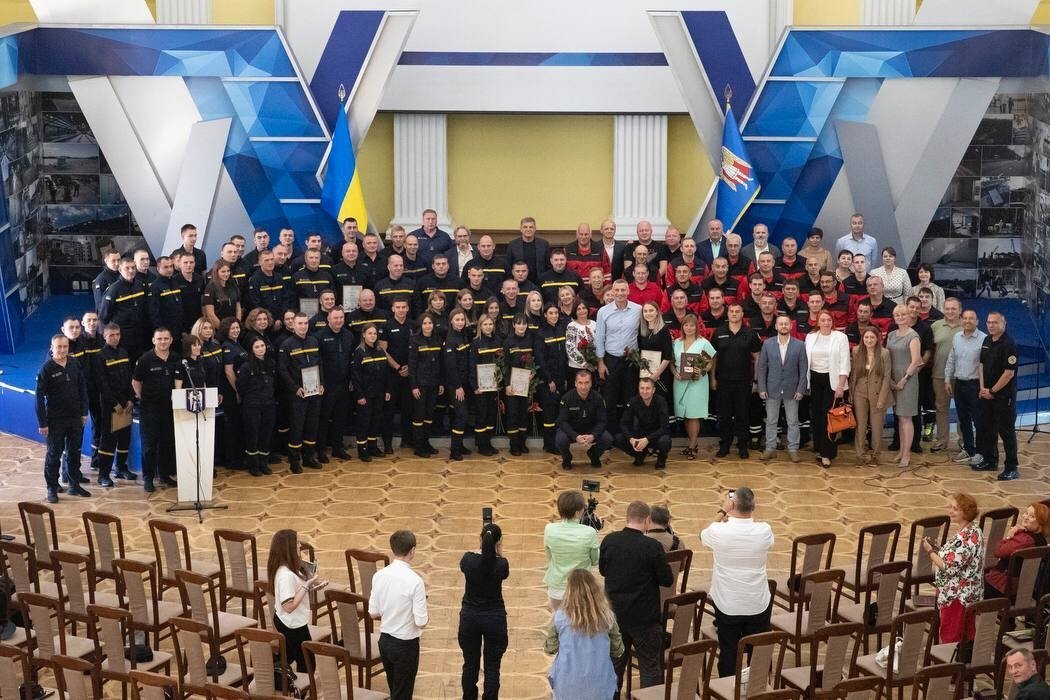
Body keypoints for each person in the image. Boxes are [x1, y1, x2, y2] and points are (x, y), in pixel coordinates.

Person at [599, 501, 673, 693]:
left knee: (614, 668)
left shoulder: (609, 541)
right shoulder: (652, 547)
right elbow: (667, 580)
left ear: (627, 518)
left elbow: (603, 570)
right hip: (645, 619)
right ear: (647, 520)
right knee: (650, 668)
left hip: (616, 617)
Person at [701, 487, 774, 678]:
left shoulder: (718, 531)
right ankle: (757, 686)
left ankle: (727, 688)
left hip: (728, 604)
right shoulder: (764, 530)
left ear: (731, 504)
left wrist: (722, 511)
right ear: (753, 506)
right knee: (758, 650)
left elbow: (703, 534)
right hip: (757, 602)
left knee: (729, 652)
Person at [544, 569, 624, 700]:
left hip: (567, 685)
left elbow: (550, 648)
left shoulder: (559, 617)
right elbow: (618, 650)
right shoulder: (607, 617)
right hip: (600, 685)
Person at [369, 530, 428, 700]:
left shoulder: (379, 575)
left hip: (385, 642)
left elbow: (373, 612)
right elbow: (421, 622)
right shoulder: (415, 581)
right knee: (402, 694)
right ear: (412, 550)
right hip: (405, 645)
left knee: (395, 690)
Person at [36, 334, 91, 504]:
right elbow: (39, 398)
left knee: (74, 453)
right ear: (52, 348)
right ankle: (52, 487)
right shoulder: (46, 369)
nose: (62, 350)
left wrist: (84, 412)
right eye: (58, 347)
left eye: (65, 346)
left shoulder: (74, 363)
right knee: (54, 454)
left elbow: (82, 388)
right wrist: (43, 423)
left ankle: (74, 485)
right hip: (55, 420)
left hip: (75, 418)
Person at [922, 492, 984, 644]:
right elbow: (957, 558)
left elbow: (948, 567)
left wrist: (930, 551)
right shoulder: (975, 529)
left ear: (966, 512)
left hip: (956, 596)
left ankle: (950, 660)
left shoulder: (963, 539)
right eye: (950, 507)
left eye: (955, 509)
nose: (950, 511)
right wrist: (940, 550)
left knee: (951, 637)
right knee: (966, 634)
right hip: (969, 593)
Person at [458, 523, 509, 700]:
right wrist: (498, 550)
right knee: (492, 667)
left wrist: (481, 547)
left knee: (470, 664)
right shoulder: (501, 564)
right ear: (499, 542)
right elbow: (500, 568)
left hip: (470, 617)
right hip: (494, 618)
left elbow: (468, 564)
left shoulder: (468, 560)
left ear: (480, 539)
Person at [267, 529, 327, 673]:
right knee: (307, 662)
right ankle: (298, 685)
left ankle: (277, 677)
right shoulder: (286, 575)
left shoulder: (288, 566)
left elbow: (295, 592)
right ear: (288, 548)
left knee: (289, 656)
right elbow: (288, 606)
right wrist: (306, 586)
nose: (300, 545)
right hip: (292, 624)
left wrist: (309, 586)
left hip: (286, 620)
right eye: (297, 543)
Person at [132, 327, 180, 493]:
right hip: (150, 410)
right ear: (153, 340)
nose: (163, 342)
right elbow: (136, 382)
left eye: (166, 338)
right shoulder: (145, 359)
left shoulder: (176, 358)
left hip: (169, 409)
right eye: (159, 339)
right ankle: (148, 478)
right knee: (149, 446)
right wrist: (144, 398)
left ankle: (164, 475)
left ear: (171, 340)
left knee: (167, 444)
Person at [711, 304, 762, 459]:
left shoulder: (750, 333)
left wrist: (755, 381)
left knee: (742, 415)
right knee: (724, 415)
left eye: (737, 311)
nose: (734, 314)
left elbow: (757, 357)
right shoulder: (719, 332)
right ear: (728, 314)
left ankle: (742, 446)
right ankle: (724, 445)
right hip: (723, 381)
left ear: (742, 314)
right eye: (731, 311)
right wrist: (712, 378)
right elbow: (713, 357)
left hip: (743, 382)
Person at [974, 311, 1020, 481]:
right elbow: (981, 365)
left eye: (995, 322)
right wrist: (982, 388)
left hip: (1003, 397)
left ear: (1003, 324)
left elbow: (1009, 373)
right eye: (989, 322)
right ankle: (990, 460)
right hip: (986, 394)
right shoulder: (987, 340)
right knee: (988, 429)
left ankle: (1011, 467)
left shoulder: (1009, 344)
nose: (991, 325)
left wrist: (992, 391)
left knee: (1006, 432)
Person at [757, 315, 808, 462]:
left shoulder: (800, 345)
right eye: (781, 324)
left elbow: (803, 369)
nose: (784, 326)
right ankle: (770, 448)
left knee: (793, 421)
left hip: (792, 389)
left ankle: (793, 449)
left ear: (791, 326)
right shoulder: (767, 344)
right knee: (771, 421)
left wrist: (801, 389)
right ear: (776, 326)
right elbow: (762, 368)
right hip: (772, 388)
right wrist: (762, 387)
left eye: (786, 324)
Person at [277, 313, 324, 472]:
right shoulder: (286, 345)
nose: (303, 326)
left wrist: (321, 383)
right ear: (293, 325)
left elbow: (320, 364)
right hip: (298, 393)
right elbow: (282, 370)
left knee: (312, 425)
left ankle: (309, 457)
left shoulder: (314, 341)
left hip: (314, 392)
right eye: (300, 323)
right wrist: (295, 388)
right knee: (297, 427)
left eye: (305, 323)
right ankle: (294, 460)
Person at [805, 310, 851, 468]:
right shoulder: (810, 337)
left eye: (828, 320)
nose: (826, 323)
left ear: (832, 322)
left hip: (833, 382)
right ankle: (818, 448)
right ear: (817, 322)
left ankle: (827, 453)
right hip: (814, 380)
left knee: (829, 418)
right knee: (816, 416)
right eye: (823, 320)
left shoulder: (841, 337)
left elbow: (845, 363)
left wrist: (841, 385)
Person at [595, 279, 642, 427]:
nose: (620, 293)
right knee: (610, 398)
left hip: (631, 361)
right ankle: (611, 432)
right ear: (612, 292)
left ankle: (628, 432)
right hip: (611, 360)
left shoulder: (638, 309)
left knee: (630, 398)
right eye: (617, 290)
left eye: (623, 290)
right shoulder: (603, 312)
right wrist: (600, 362)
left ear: (628, 291)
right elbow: (599, 337)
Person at [94, 323, 136, 483]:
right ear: (104, 336)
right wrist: (114, 404)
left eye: (117, 334)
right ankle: (103, 475)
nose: (115, 338)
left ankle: (121, 468)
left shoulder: (124, 352)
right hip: (110, 406)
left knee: (125, 438)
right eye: (111, 335)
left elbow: (129, 378)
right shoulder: (100, 356)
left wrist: (131, 399)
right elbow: (102, 384)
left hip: (126, 404)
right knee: (108, 441)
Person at [544, 490, 600, 609]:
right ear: (577, 512)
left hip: (556, 589)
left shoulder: (549, 529)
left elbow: (550, 556)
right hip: (581, 589)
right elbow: (595, 561)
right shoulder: (590, 532)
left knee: (558, 619)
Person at [672, 314, 715, 459]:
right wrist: (675, 373)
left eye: (692, 325)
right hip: (679, 382)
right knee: (685, 414)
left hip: (697, 382)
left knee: (694, 414)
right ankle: (692, 443)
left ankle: (692, 446)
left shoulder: (703, 342)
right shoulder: (676, 342)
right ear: (682, 327)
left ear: (696, 327)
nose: (689, 328)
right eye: (686, 325)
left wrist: (702, 370)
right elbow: (671, 362)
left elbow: (711, 360)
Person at [945, 310, 986, 464]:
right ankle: (969, 449)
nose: (968, 321)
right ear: (961, 320)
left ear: (977, 321)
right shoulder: (957, 337)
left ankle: (981, 452)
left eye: (971, 318)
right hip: (959, 383)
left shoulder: (984, 339)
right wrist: (947, 379)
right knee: (963, 419)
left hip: (975, 385)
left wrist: (983, 387)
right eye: (965, 318)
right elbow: (951, 359)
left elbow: (986, 365)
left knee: (978, 420)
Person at [985, 502, 1050, 599]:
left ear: (1040, 523)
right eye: (1026, 513)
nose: (1026, 517)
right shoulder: (1042, 540)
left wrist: (1009, 536)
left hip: (1003, 586)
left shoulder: (1024, 540)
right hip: (1025, 587)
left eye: (1032, 516)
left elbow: (997, 551)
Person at [315, 307, 354, 462]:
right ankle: (321, 450)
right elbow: (318, 362)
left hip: (344, 384)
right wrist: (321, 383)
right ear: (328, 319)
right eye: (335, 318)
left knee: (340, 417)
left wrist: (351, 380)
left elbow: (351, 359)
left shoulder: (349, 335)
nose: (339, 321)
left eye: (341, 318)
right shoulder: (319, 336)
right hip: (327, 385)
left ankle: (337, 448)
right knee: (324, 418)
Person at [848, 328, 892, 465]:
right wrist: (851, 394)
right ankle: (860, 455)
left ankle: (875, 455)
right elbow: (853, 374)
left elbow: (887, 377)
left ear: (877, 338)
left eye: (872, 337)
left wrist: (882, 399)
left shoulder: (884, 353)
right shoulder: (856, 351)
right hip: (859, 392)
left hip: (877, 393)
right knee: (860, 425)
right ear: (863, 338)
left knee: (877, 426)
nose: (869, 340)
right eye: (866, 337)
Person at [887, 305, 924, 468]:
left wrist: (904, 379)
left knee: (906, 418)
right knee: (899, 418)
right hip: (893, 381)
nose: (900, 317)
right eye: (897, 314)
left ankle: (907, 454)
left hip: (907, 381)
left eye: (903, 314)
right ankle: (901, 451)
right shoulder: (891, 335)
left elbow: (916, 361)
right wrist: (889, 379)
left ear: (909, 316)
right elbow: (886, 357)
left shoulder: (913, 336)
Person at [556, 369, 613, 470]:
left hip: (591, 430)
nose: (583, 386)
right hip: (572, 430)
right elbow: (562, 421)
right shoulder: (567, 398)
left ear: (591, 383)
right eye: (580, 383)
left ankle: (594, 455)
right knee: (560, 440)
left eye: (587, 382)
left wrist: (593, 435)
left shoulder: (598, 398)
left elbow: (602, 421)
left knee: (607, 438)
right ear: (575, 383)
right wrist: (575, 436)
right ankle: (567, 459)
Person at [350, 324, 390, 462]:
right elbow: (355, 376)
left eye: (375, 333)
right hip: (365, 395)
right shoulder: (359, 352)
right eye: (370, 333)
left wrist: (387, 390)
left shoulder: (380, 351)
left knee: (375, 420)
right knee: (364, 422)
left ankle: (373, 447)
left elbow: (385, 373)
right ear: (363, 335)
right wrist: (359, 395)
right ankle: (362, 449)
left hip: (378, 393)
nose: (373, 336)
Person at [237, 337, 276, 476]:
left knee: (266, 434)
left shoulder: (271, 363)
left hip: (269, 404)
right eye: (257, 347)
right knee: (253, 434)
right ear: (252, 350)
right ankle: (253, 465)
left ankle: (263, 463)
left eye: (262, 345)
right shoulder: (246, 366)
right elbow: (240, 386)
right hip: (252, 406)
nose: (260, 349)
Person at [930, 299, 963, 454]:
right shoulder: (935, 326)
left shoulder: (966, 325)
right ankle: (942, 441)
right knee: (941, 408)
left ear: (960, 310)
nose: (950, 311)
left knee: (963, 409)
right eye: (947, 308)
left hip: (962, 375)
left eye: (953, 308)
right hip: (939, 374)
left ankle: (964, 441)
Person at [409, 313, 445, 458]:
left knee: (429, 415)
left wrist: (441, 382)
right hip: (420, 384)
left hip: (434, 383)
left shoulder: (438, 339)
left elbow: (441, 363)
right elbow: (412, 365)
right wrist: (414, 386)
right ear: (420, 325)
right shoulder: (415, 340)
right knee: (419, 415)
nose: (428, 326)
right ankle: (418, 446)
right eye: (425, 323)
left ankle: (425, 442)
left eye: (430, 323)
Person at [617, 378, 671, 469]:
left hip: (657, 435)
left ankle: (662, 458)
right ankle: (640, 454)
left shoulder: (661, 402)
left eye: (648, 388)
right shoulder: (633, 401)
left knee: (665, 441)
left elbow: (665, 427)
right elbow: (623, 424)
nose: (644, 391)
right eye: (642, 388)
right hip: (640, 434)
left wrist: (647, 439)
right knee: (619, 438)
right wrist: (631, 439)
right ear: (638, 389)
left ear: (653, 390)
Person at [444, 309, 475, 461]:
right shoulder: (450, 340)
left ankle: (460, 445)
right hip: (456, 385)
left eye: (462, 319)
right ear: (451, 321)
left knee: (463, 415)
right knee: (461, 415)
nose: (460, 322)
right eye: (457, 320)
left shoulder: (464, 335)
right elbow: (450, 367)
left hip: (466, 382)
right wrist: (458, 386)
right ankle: (454, 449)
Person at [469, 316, 501, 457]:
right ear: (480, 326)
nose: (488, 327)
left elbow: (501, 363)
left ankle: (488, 442)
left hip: (494, 386)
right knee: (481, 415)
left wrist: (500, 379)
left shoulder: (497, 341)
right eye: (485, 324)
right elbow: (472, 365)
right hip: (481, 387)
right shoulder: (476, 343)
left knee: (491, 415)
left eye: (490, 324)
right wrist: (475, 385)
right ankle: (481, 445)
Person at [505, 216, 550, 283]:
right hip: (518, 283)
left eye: (531, 227)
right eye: (525, 227)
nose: (528, 229)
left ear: (535, 229)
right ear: (521, 229)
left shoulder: (544, 244)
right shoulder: (512, 245)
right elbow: (508, 266)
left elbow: (548, 265)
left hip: (539, 282)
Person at [202, 260, 242, 328]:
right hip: (219, 327)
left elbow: (238, 309)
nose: (226, 274)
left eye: (228, 271)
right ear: (216, 272)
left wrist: (237, 325)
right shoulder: (210, 288)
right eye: (223, 271)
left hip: (234, 327)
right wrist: (222, 329)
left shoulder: (233, 286)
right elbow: (210, 314)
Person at [565, 299, 597, 372]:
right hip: (577, 367)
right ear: (575, 312)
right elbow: (570, 347)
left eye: (584, 308)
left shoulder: (594, 324)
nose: (582, 311)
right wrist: (585, 364)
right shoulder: (572, 326)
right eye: (578, 309)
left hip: (595, 365)